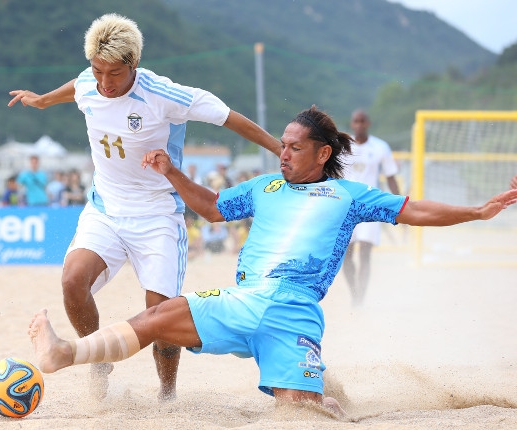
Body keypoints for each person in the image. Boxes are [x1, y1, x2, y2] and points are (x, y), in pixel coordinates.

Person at [27, 105, 517, 413]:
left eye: (293, 147)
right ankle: (65, 353)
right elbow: (213, 208)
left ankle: (317, 383)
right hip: (241, 300)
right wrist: (172, 172)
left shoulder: (349, 195)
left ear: (323, 153)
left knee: (304, 412)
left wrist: (477, 210)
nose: (281, 154)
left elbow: (414, 210)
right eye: (281, 145)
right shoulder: (266, 187)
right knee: (158, 314)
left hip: (291, 310)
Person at [9, 13, 281, 401]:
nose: (104, 82)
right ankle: (97, 359)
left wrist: (280, 150)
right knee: (72, 281)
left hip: (158, 217)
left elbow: (229, 118)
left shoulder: (164, 95)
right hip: (105, 209)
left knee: (161, 317)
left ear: (133, 64)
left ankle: (166, 393)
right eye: (97, 69)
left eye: (114, 73)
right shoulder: (91, 83)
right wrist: (44, 101)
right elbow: (79, 86)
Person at [341, 109, 401, 306]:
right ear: (352, 124)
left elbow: (391, 176)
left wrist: (399, 205)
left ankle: (360, 300)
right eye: (356, 121)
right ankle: (353, 293)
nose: (359, 125)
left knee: (365, 252)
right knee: (346, 254)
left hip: (370, 207)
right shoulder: (342, 145)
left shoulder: (380, 147)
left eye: (362, 121)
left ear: (368, 123)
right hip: (346, 207)